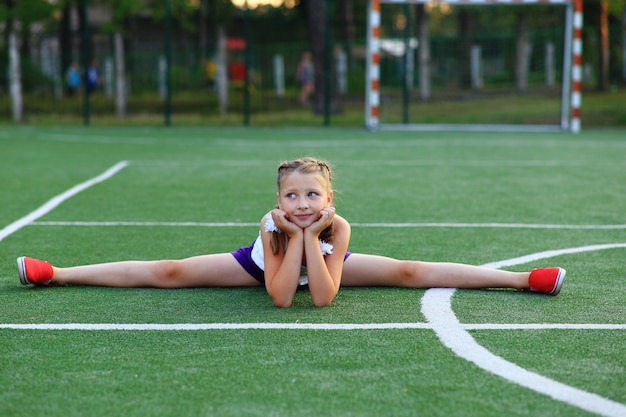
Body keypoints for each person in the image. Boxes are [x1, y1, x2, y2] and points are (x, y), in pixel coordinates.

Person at [17, 157, 565, 308]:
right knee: (171, 272)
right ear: (277, 200)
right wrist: (296, 238)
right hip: (266, 266)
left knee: (409, 272)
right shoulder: (272, 227)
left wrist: (319, 241)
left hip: (324, 264)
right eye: (291, 196)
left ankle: (522, 281)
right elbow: (281, 297)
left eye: (312, 197)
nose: (301, 204)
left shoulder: (338, 226)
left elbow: (323, 296)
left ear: (328, 200)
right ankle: (58, 274)